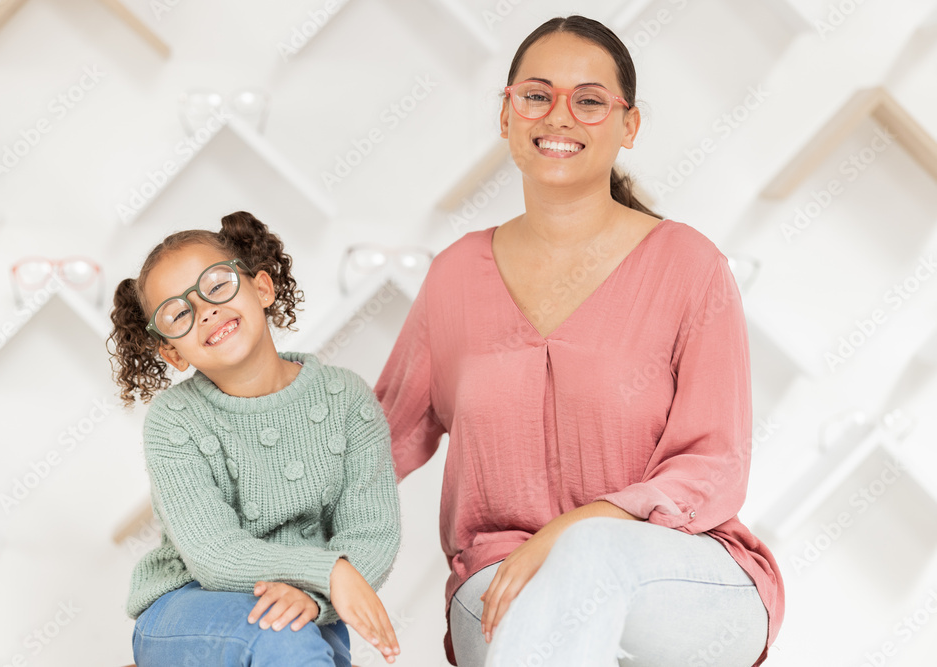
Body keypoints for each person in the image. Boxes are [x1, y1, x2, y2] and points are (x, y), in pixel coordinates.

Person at [375, 15, 784, 667]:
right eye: (536, 95)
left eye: (589, 101)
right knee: (551, 608)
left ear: (628, 126)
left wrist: (575, 530)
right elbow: (374, 443)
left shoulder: (689, 266)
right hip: (501, 580)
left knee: (589, 556)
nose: (559, 116)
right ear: (506, 115)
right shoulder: (455, 276)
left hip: (677, 577)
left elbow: (716, 463)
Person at [109, 211, 402, 667]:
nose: (204, 310)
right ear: (171, 351)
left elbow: (372, 533)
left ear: (261, 288)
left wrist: (316, 597)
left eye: (217, 285)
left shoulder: (347, 399)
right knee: (283, 641)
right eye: (178, 313)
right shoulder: (174, 420)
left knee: (299, 641)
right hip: (186, 606)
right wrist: (326, 571)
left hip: (307, 612)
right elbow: (213, 554)